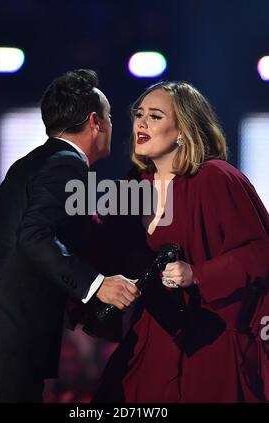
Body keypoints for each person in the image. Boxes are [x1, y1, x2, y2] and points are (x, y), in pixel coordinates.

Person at [92, 81, 269, 403]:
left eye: (155, 116)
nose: (141, 123)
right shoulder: (132, 184)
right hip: (151, 339)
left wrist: (198, 273)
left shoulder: (217, 177)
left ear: (183, 131)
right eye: (139, 114)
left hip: (213, 341)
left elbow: (260, 252)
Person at [0, 69, 139, 403]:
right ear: (95, 121)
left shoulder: (34, 161)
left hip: (1, 330)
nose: (111, 125)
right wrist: (97, 284)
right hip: (10, 337)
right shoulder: (66, 164)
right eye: (109, 117)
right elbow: (34, 235)